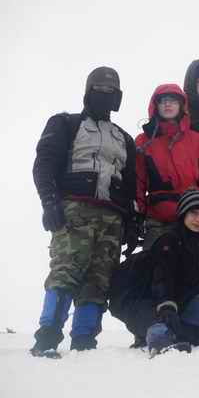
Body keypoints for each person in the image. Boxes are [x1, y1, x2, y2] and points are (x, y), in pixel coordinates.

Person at [31, 66, 137, 357]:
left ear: (118, 98)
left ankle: (84, 340)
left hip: (112, 216)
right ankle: (47, 337)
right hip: (74, 209)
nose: (105, 96)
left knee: (99, 279)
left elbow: (131, 185)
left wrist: (131, 220)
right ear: (89, 92)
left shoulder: (124, 138)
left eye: (111, 92)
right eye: (100, 91)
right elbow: (44, 164)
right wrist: (49, 202)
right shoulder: (65, 123)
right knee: (66, 271)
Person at [109, 190, 199, 354]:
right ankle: (161, 341)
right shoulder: (169, 240)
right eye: (193, 213)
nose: (198, 219)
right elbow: (161, 278)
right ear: (183, 213)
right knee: (160, 323)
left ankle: (185, 331)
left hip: (175, 304)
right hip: (146, 303)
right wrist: (167, 307)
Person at [135, 83, 199, 251]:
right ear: (156, 106)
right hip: (159, 220)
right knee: (154, 272)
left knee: (192, 274)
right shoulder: (143, 142)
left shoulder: (198, 141)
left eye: (173, 101)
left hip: (194, 219)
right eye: (163, 101)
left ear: (182, 106)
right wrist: (136, 215)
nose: (168, 105)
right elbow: (137, 180)